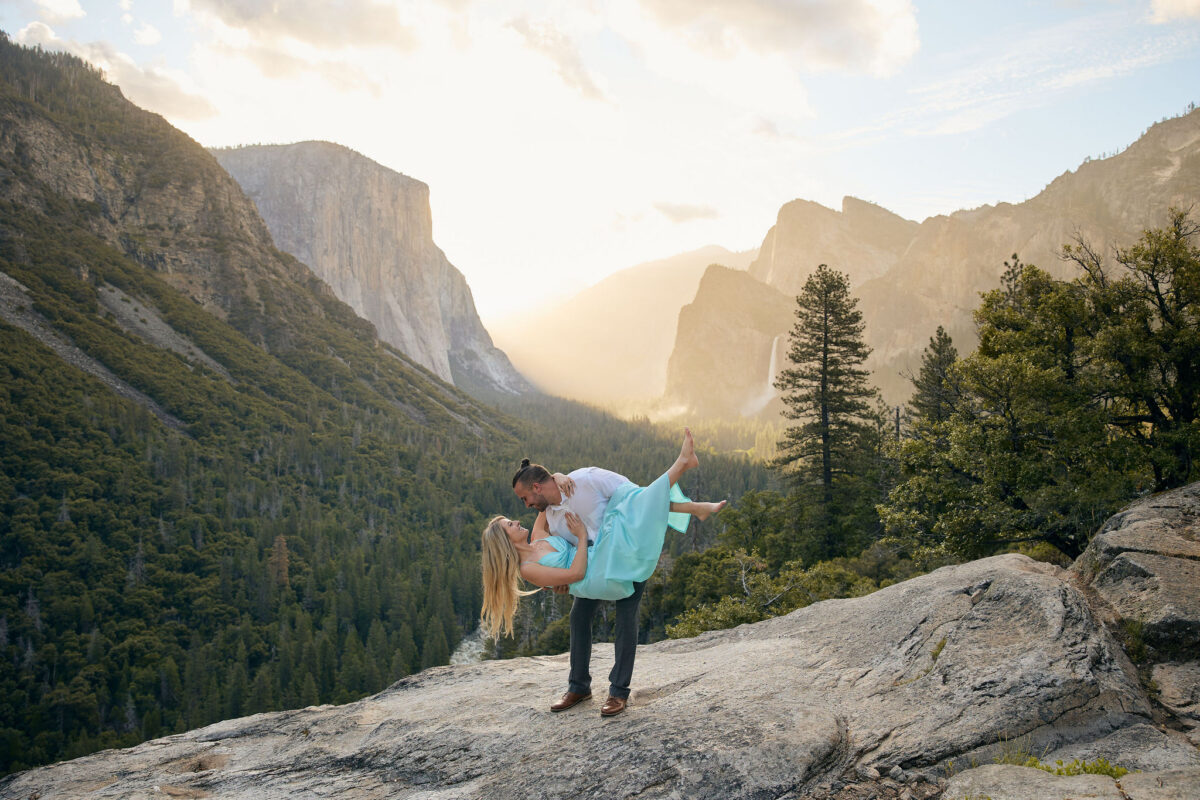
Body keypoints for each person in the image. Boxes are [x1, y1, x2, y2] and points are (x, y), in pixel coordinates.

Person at [479, 428, 726, 717]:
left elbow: (637, 498)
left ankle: (618, 693)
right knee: (579, 617)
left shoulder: (586, 480)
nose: (525, 507)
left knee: (626, 616)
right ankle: (579, 686)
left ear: (535, 487)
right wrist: (562, 580)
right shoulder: (549, 517)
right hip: (593, 570)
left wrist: (559, 477)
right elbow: (560, 560)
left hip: (625, 552)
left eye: (524, 498)